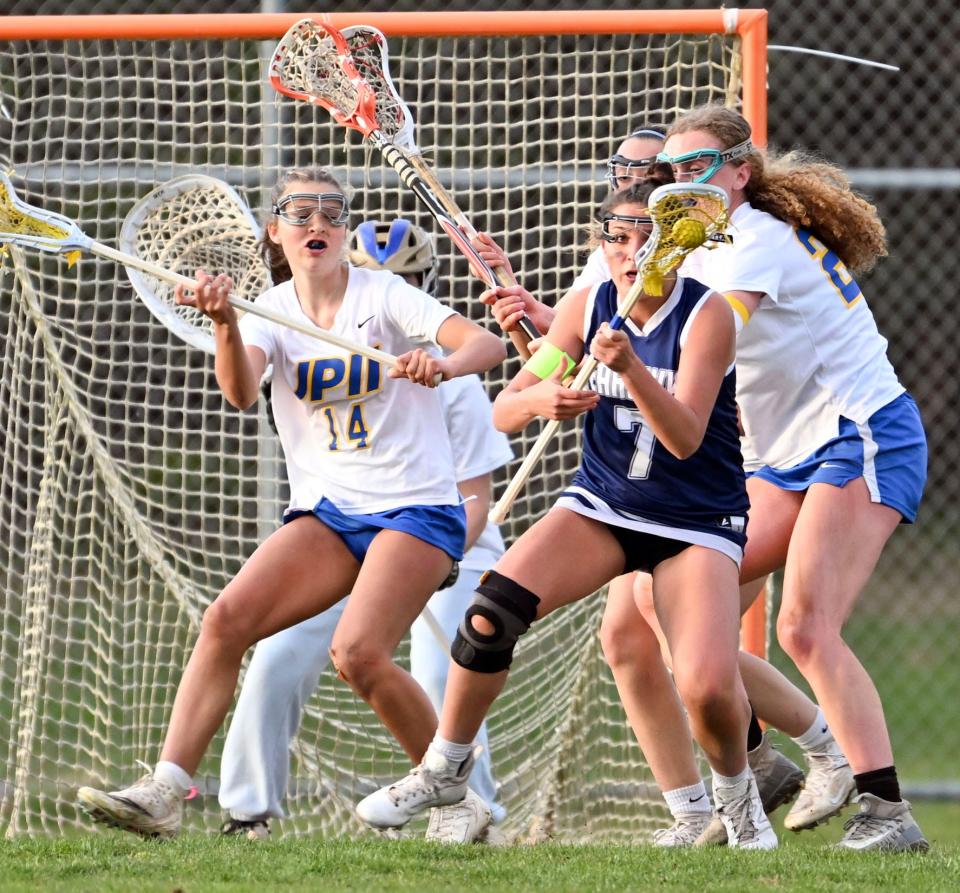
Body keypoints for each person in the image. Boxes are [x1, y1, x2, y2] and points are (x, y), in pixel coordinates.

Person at [75, 168, 507, 837]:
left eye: (332, 213)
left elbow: (488, 343)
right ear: (275, 232)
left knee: (358, 653)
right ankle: (166, 788)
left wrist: (441, 364)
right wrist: (223, 322)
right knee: (226, 619)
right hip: (331, 512)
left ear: (343, 231)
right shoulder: (268, 312)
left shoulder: (385, 295)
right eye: (300, 212)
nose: (318, 223)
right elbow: (242, 391)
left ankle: (453, 794)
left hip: (417, 509)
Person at [357, 177, 779, 850]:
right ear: (601, 243)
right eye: (618, 237)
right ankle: (445, 766)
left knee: (703, 682)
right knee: (489, 614)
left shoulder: (709, 317)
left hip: (695, 519)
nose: (632, 251)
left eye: (649, 238)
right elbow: (506, 407)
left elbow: (685, 436)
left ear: (677, 249)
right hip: (605, 502)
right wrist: (542, 399)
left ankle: (739, 804)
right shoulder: (586, 307)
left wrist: (633, 371)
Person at [476, 127, 852, 846]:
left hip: (730, 468)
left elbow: (672, 342)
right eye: (626, 172)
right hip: (643, 487)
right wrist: (538, 328)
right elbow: (575, 366)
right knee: (628, 637)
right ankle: (697, 803)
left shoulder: (728, 249)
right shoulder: (619, 254)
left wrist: (585, 336)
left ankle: (816, 751)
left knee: (693, 642)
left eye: (658, 171)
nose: (638, 183)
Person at [217, 218, 512, 844]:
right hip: (347, 532)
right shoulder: (312, 343)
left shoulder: (446, 372)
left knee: (445, 673)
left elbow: (476, 498)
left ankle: (471, 809)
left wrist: (435, 562)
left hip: (445, 542)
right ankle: (249, 813)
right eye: (381, 276)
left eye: (404, 279)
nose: (389, 290)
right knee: (276, 654)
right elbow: (249, 386)